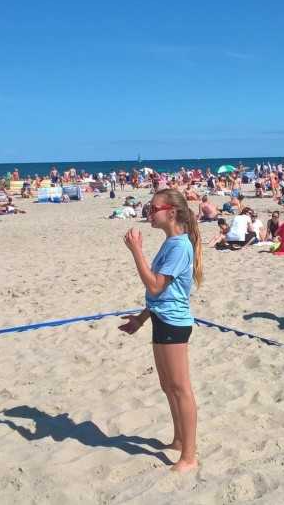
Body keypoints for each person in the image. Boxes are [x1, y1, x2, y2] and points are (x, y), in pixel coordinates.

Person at [119, 188, 203, 473]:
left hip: (174, 323)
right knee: (168, 387)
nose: (148, 213)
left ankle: (190, 457)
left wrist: (137, 252)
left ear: (172, 212)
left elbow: (154, 285)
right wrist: (140, 319)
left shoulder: (180, 246)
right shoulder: (170, 243)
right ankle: (179, 440)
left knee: (181, 388)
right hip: (160, 318)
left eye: (153, 208)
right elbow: (159, 294)